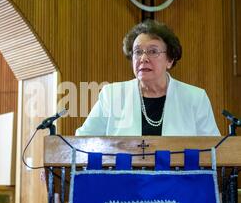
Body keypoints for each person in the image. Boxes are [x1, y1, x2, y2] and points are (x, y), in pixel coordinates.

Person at [75, 19, 220, 136]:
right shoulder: (112, 95)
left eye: (153, 51)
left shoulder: (195, 98)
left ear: (169, 60)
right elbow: (83, 141)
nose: (143, 58)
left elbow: (214, 149)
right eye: (138, 52)